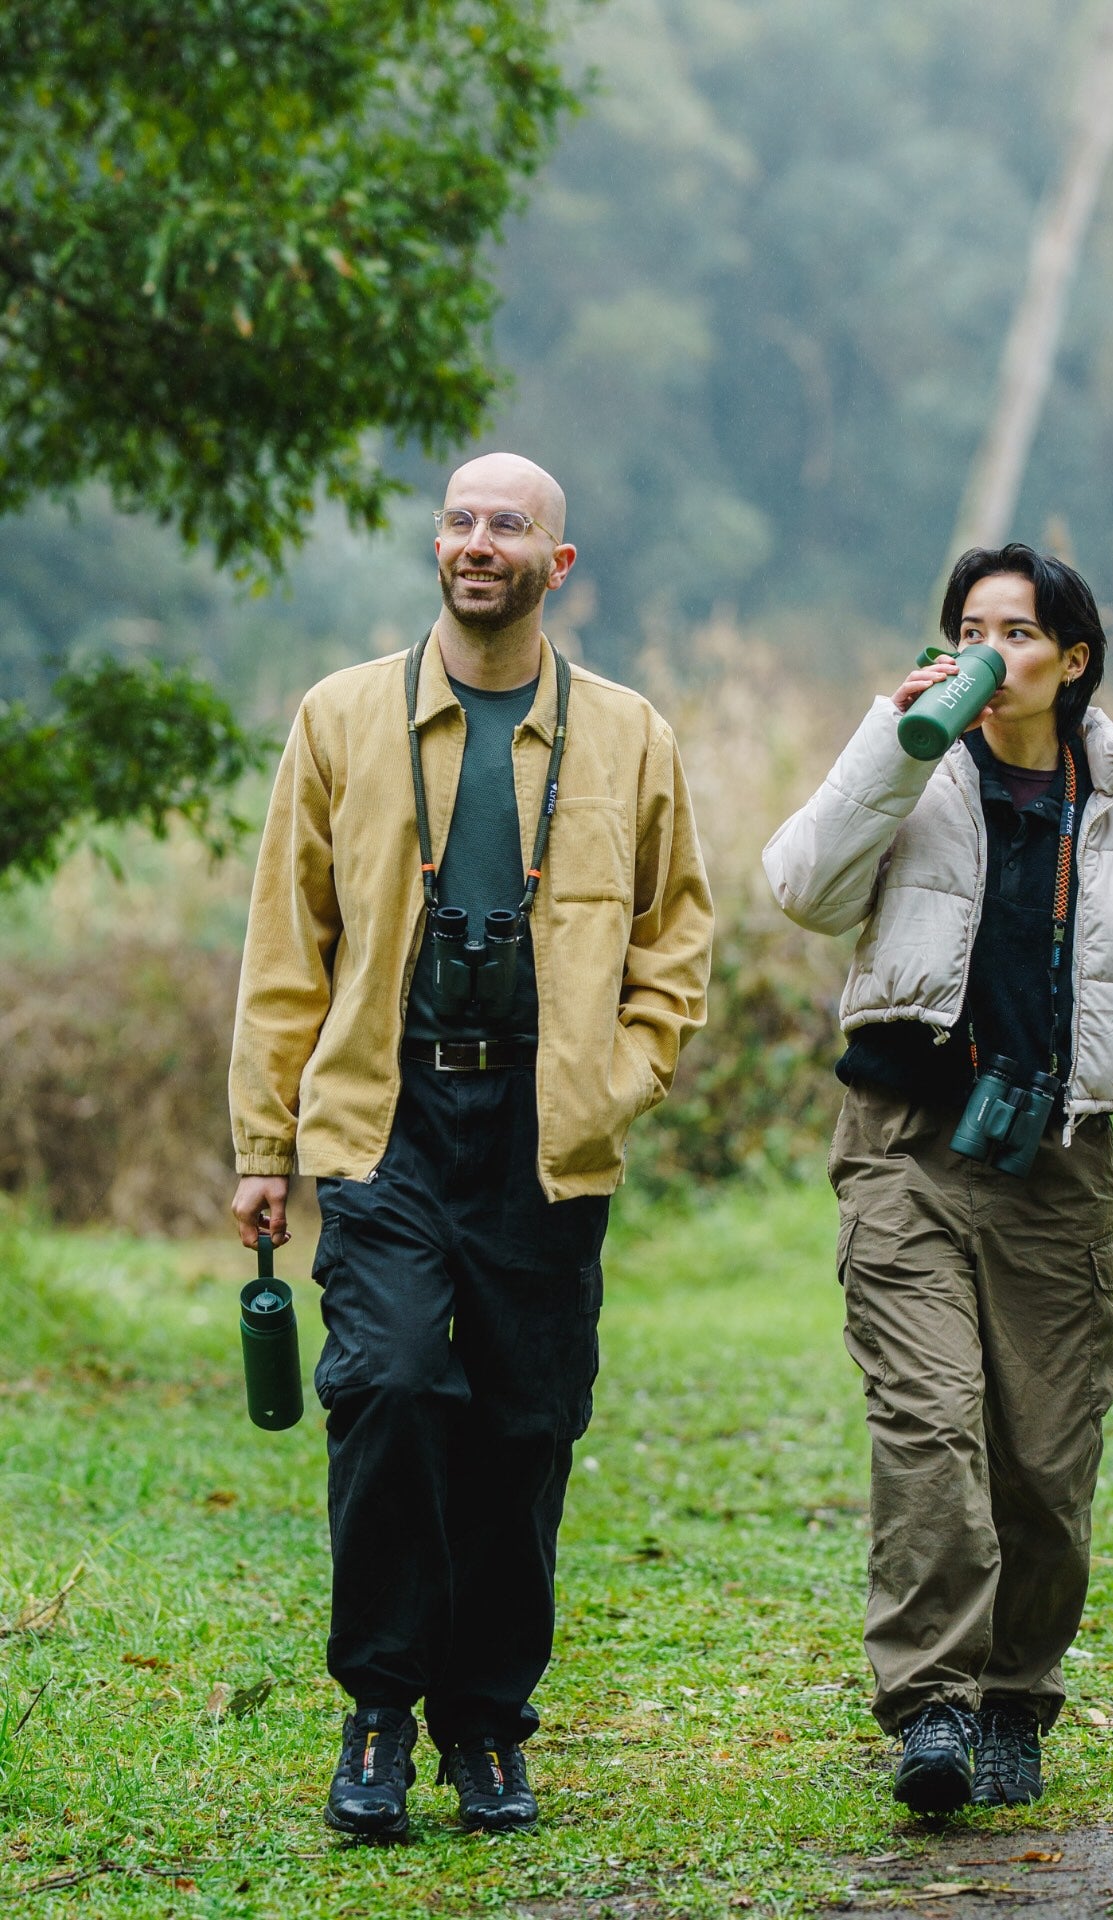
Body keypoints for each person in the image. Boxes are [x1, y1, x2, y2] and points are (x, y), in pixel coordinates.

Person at [229, 452, 713, 1841]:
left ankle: (488, 1728)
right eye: (460, 521)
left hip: (547, 1131)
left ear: (557, 564)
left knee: (524, 1423)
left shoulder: (631, 735)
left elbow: (678, 938)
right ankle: (379, 1708)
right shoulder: (339, 718)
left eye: (509, 526)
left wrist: (624, 1077)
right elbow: (285, 948)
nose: (478, 542)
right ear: (437, 546)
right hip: (384, 1115)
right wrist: (267, 1137)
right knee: (383, 1385)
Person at [762, 544, 1113, 1814]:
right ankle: (930, 1707)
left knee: (1043, 1456)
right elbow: (801, 888)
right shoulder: (912, 776)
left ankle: (1018, 1697)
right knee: (927, 1426)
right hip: (906, 1150)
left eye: (1017, 633)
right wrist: (901, 738)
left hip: (1056, 1167)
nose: (992, 653)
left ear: (1073, 659)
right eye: (969, 629)